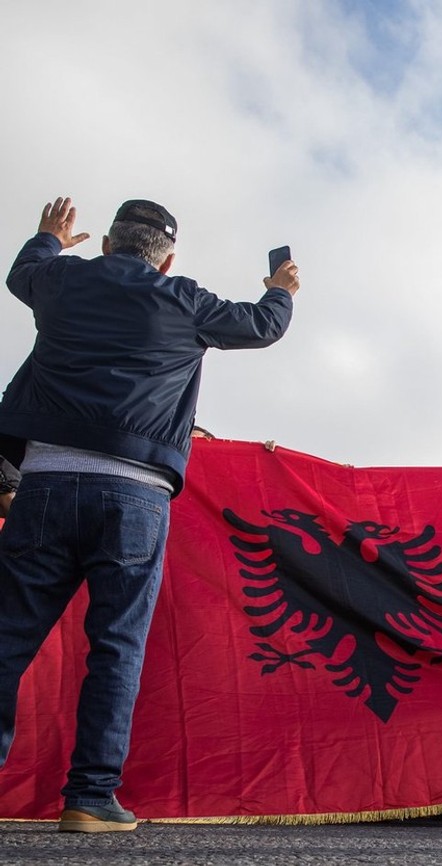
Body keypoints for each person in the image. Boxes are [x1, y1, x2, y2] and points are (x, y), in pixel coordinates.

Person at [0, 197, 298, 832]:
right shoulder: (183, 299)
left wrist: (50, 238)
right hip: (135, 494)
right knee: (116, 648)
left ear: (106, 244)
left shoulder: (61, 280)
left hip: (47, 482)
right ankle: (89, 798)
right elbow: (265, 326)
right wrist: (279, 289)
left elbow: (22, 273)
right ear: (166, 259)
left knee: (6, 639)